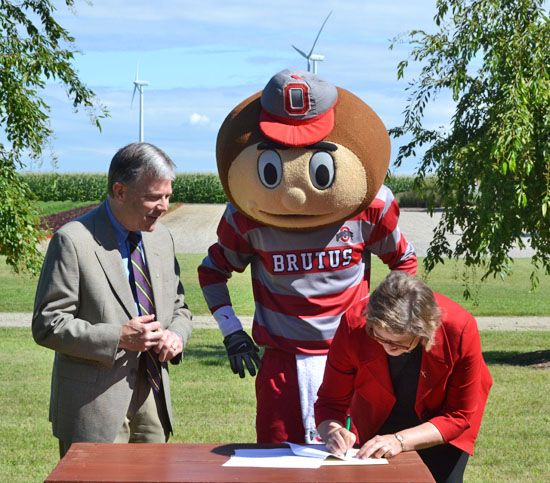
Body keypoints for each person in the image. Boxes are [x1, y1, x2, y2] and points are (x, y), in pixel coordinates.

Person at [198, 69, 417, 444]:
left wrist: (389, 324)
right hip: (282, 361)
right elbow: (212, 271)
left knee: (354, 460)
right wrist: (231, 331)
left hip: (352, 356)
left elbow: (404, 264)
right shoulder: (248, 213)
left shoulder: (369, 206)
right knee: (278, 462)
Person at [32, 142, 193, 458]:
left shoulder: (161, 236)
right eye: (153, 197)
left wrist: (177, 335)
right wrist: (118, 337)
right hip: (92, 408)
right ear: (120, 192)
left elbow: (179, 308)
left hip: (152, 401)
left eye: (168, 196)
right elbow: (48, 323)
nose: (164, 206)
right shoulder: (73, 240)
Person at [315, 271, 492, 483]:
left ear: (424, 332)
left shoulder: (460, 329)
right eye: (379, 337)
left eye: (399, 343)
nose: (388, 348)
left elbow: (458, 415)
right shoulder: (354, 324)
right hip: (377, 419)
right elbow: (330, 402)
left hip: (441, 425)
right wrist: (332, 431)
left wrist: (400, 440)